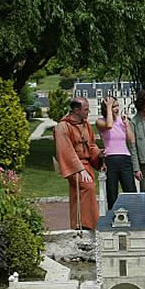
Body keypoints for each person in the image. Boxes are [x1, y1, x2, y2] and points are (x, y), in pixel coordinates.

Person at [53, 97, 103, 230]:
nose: (88, 112)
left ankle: (80, 224)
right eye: (86, 109)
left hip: (85, 164)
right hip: (74, 165)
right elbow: (66, 151)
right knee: (87, 186)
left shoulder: (86, 124)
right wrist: (79, 169)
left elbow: (91, 145)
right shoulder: (62, 127)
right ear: (76, 110)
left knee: (84, 191)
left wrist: (99, 154)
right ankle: (87, 225)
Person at [96, 97, 137, 210]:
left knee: (130, 190)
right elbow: (109, 125)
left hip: (125, 158)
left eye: (117, 106)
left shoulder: (121, 120)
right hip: (110, 158)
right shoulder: (101, 121)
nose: (116, 109)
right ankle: (113, 216)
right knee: (112, 191)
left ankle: (133, 215)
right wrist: (109, 107)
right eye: (114, 106)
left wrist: (126, 124)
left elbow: (132, 140)